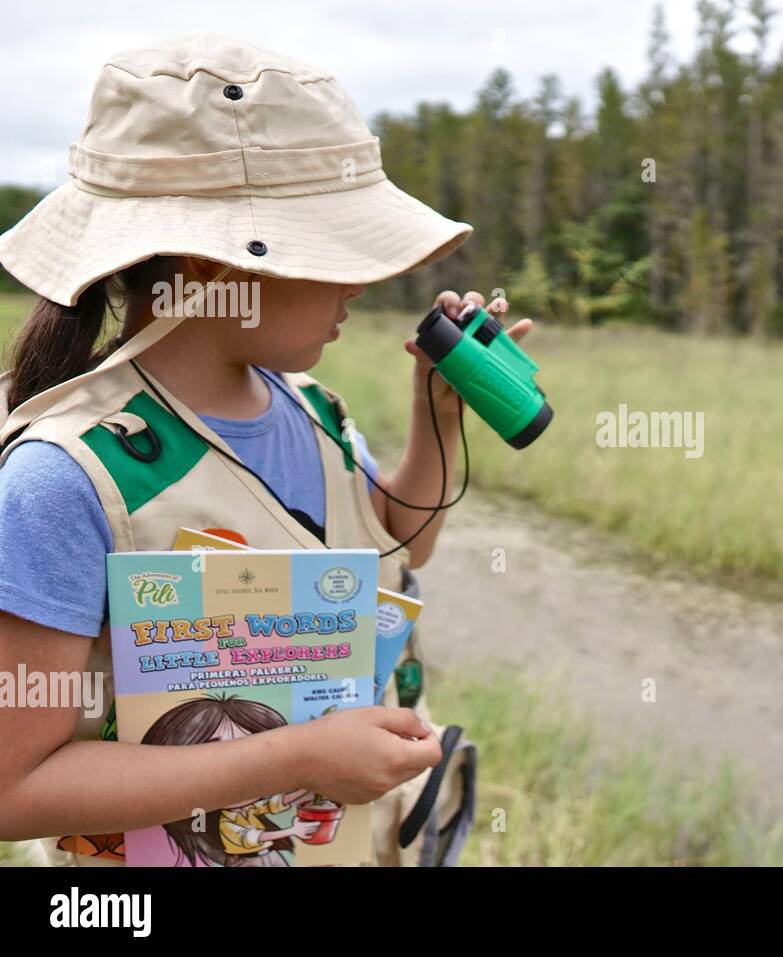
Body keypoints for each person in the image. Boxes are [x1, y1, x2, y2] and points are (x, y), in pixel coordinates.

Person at [0, 35, 522, 866]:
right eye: (335, 248)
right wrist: (298, 756)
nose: (361, 281)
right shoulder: (63, 480)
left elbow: (399, 541)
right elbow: (15, 786)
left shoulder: (314, 409)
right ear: (214, 264)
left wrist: (440, 416)